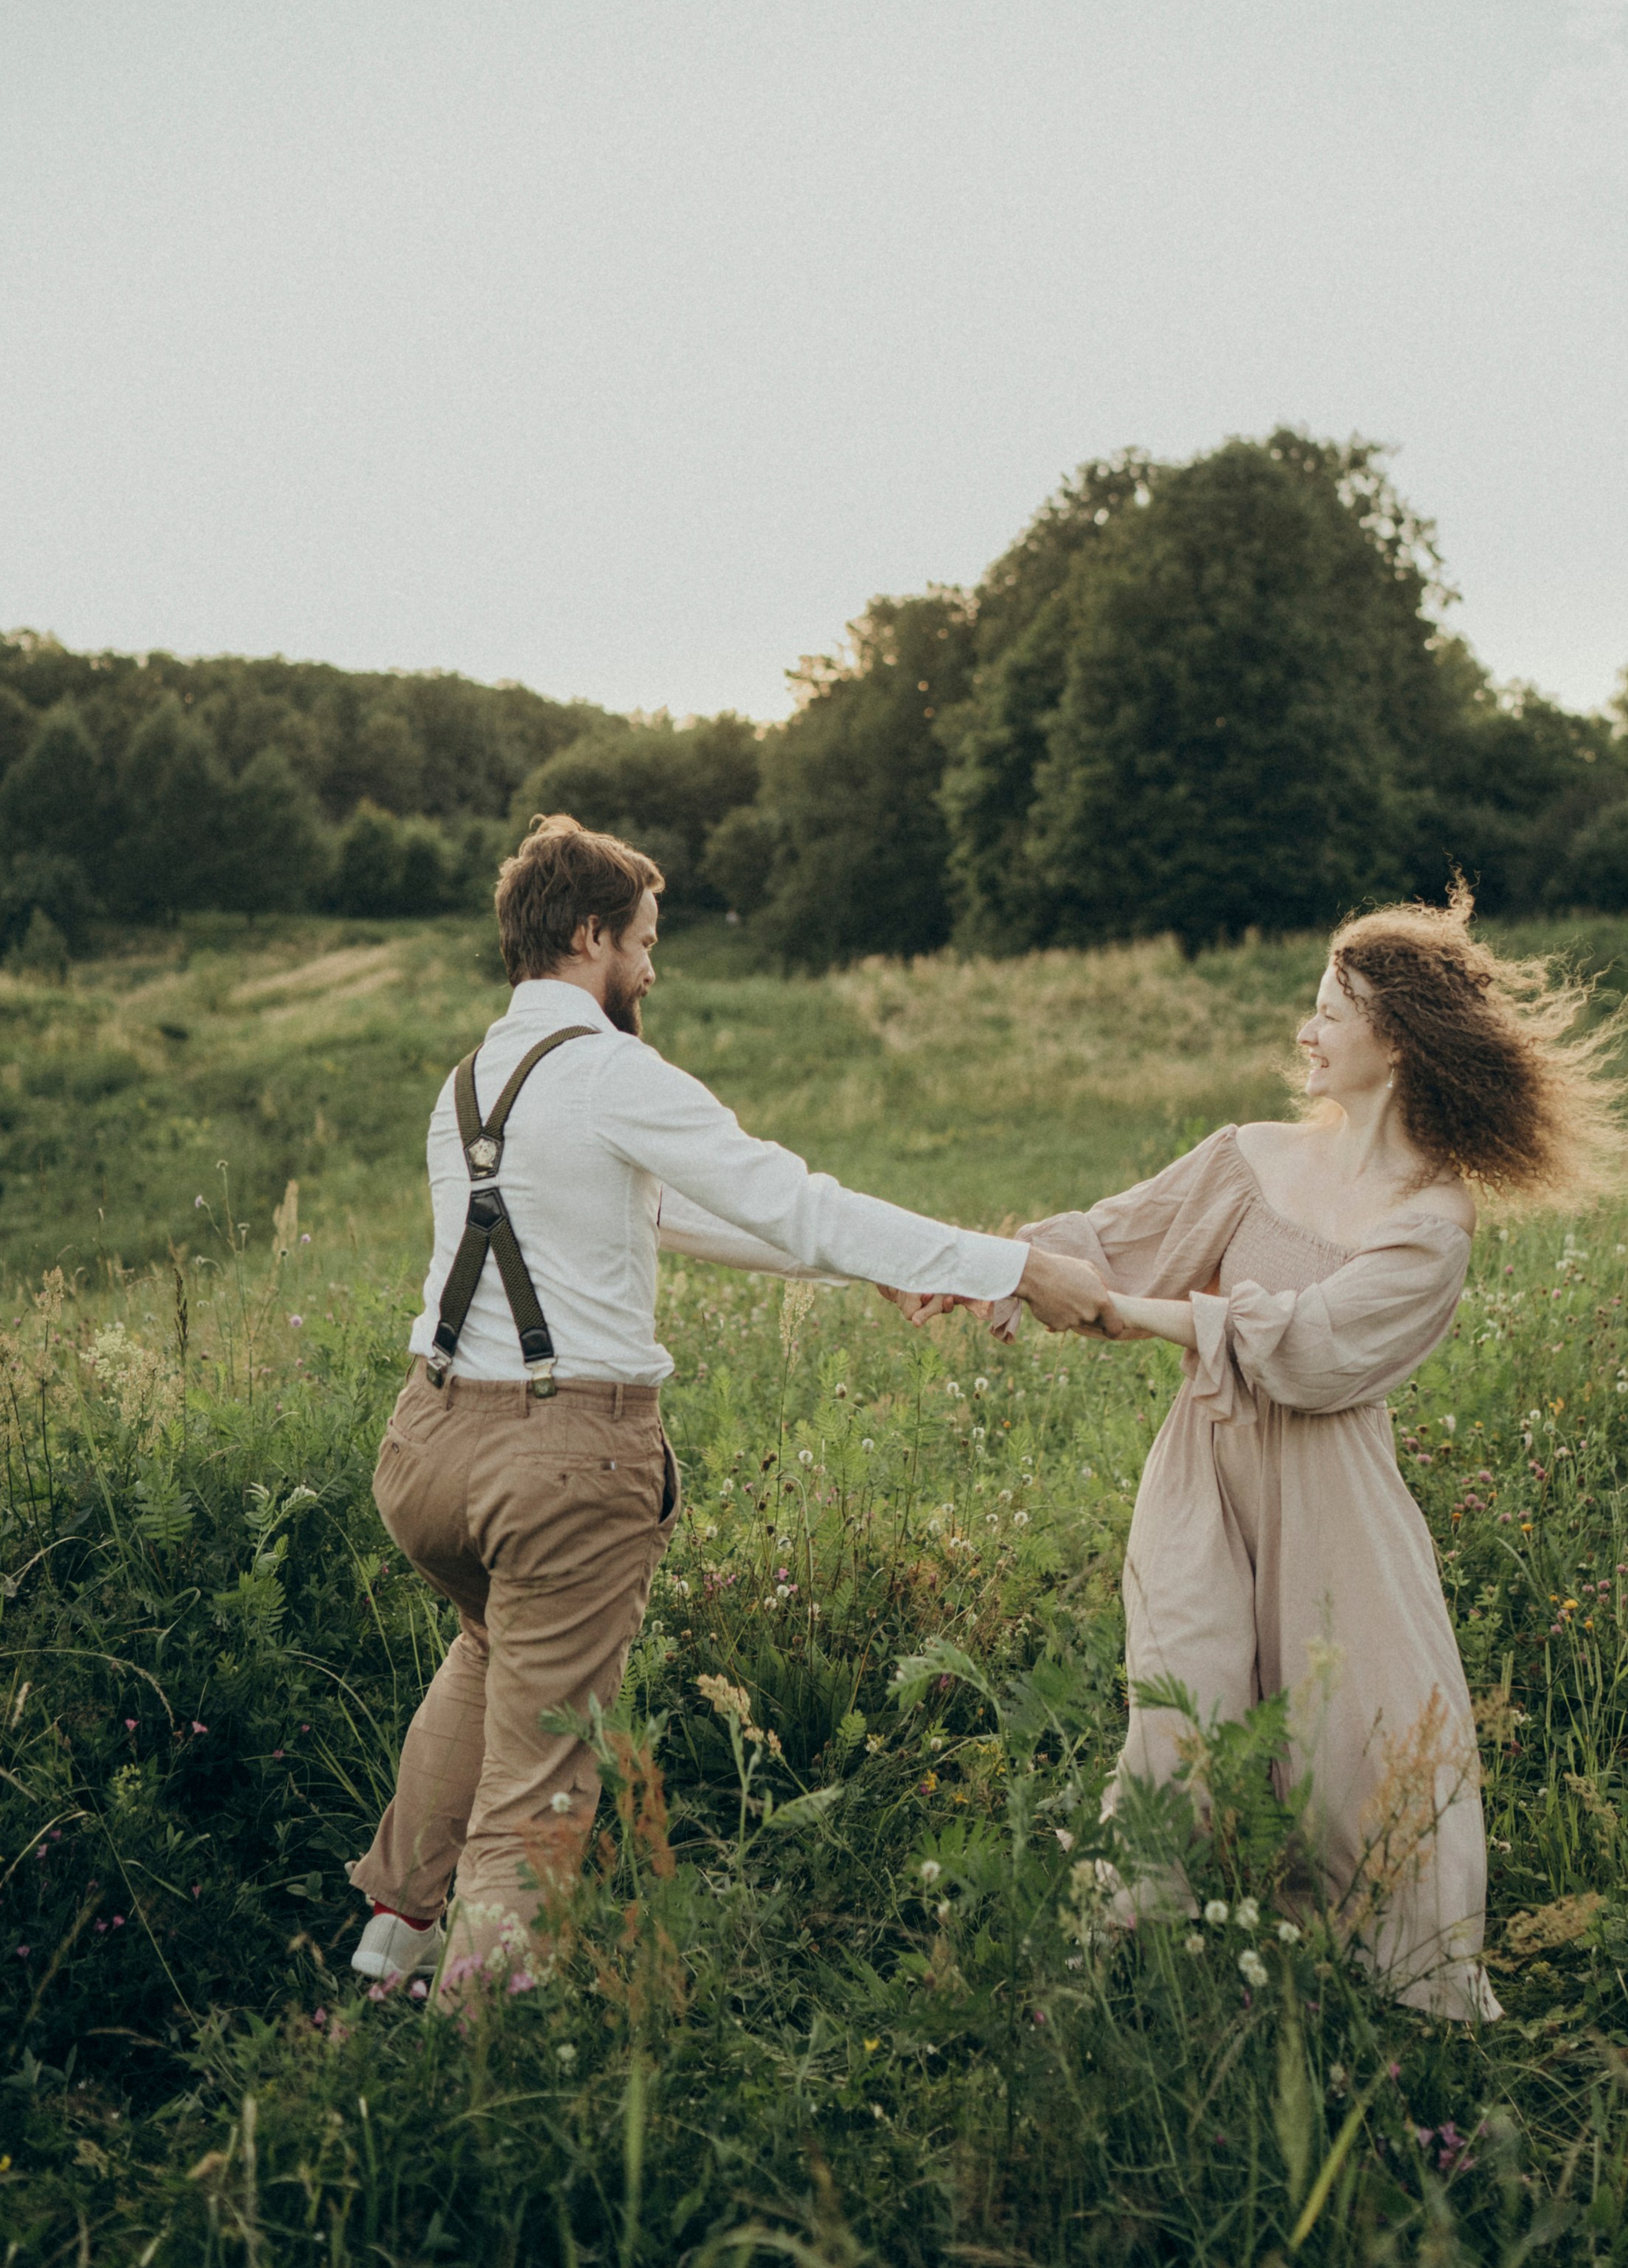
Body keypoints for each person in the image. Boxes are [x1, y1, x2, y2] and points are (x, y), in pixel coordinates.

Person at [349, 814, 1105, 2002]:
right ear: (590, 936)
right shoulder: (606, 1069)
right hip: (559, 1469)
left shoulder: (474, 1081)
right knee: (537, 1790)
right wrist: (1006, 1264)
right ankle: (470, 2073)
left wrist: (885, 1269)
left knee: (486, 1652)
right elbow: (791, 1197)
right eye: (644, 943)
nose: (652, 970)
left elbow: (666, 1215)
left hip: (429, 1450)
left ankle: (387, 1948)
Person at [1008, 890, 1628, 2019]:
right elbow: (1114, 1244)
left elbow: (1311, 1352)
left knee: (1358, 1739)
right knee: (1180, 1704)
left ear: (1394, 1036)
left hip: (1332, 1494)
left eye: (1329, 1010)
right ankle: (1124, 1961)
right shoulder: (1249, 1158)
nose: (1306, 1031)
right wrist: (983, 1269)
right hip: (1204, 1474)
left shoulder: (1432, 1222)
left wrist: (1153, 1316)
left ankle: (1398, 1991)